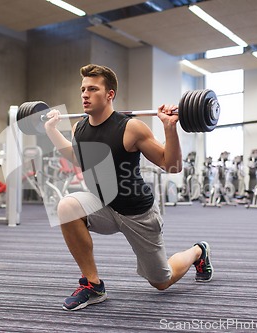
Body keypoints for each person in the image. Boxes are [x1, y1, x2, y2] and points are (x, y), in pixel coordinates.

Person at [44, 64, 213, 311]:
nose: (85, 94)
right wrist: (50, 131)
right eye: (83, 89)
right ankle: (93, 285)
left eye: (92, 89)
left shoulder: (131, 127)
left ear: (110, 94)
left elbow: (172, 165)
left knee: (162, 282)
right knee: (67, 205)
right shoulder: (79, 127)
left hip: (137, 213)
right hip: (103, 206)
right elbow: (79, 158)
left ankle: (198, 251)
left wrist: (169, 128)